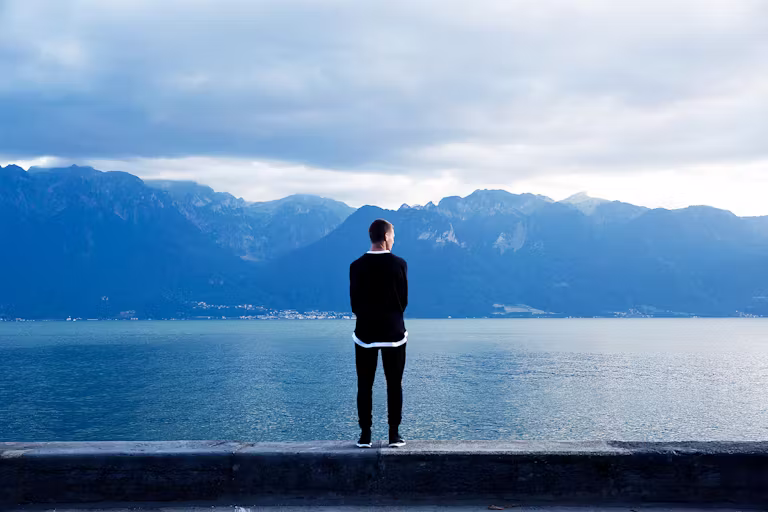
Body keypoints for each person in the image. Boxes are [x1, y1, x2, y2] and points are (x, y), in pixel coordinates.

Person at [349, 219, 408, 448]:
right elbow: (403, 301)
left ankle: (365, 436)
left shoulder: (356, 266)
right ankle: (394, 435)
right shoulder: (399, 264)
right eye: (392, 235)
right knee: (394, 384)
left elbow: (354, 303)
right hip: (394, 333)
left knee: (365, 385)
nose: (393, 239)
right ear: (385, 237)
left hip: (364, 332)